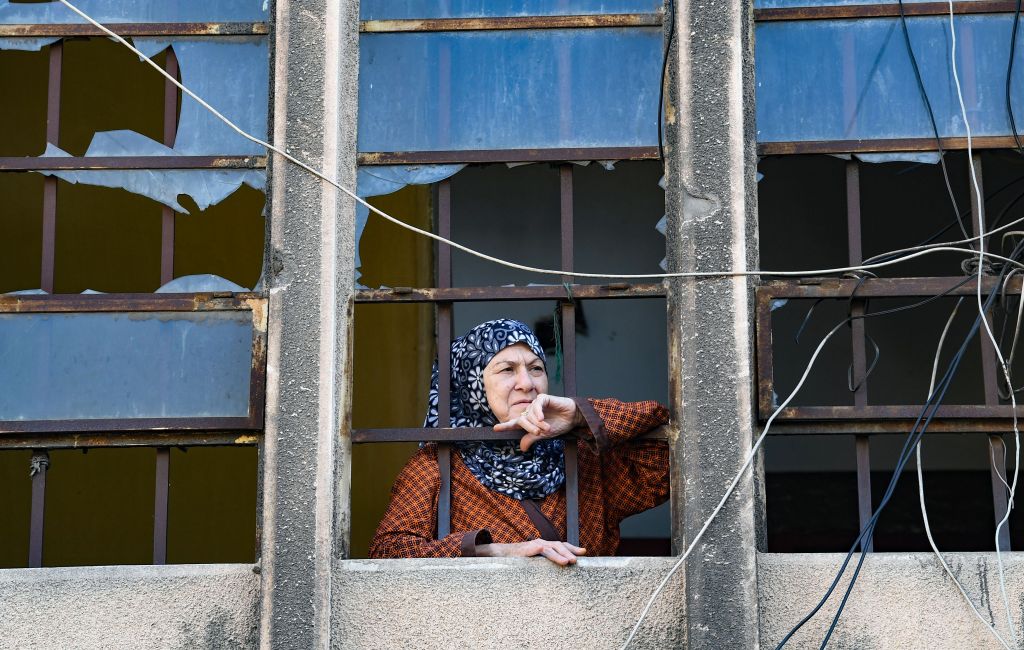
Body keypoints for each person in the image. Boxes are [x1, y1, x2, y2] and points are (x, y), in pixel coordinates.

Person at [368, 318, 669, 565]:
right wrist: (492, 550)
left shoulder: (582, 458)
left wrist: (580, 416)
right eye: (507, 370)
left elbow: (675, 463)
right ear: (469, 384)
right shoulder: (439, 464)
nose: (527, 383)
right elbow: (388, 552)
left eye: (536, 368)